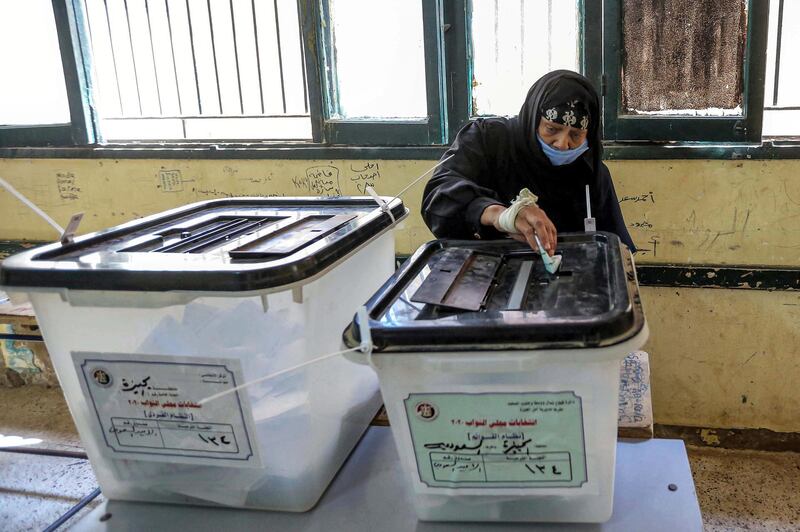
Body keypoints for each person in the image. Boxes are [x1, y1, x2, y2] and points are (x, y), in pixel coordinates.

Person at [421, 70, 634, 255]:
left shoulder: (590, 173)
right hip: (482, 277)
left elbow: (618, 249)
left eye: (576, 135)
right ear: (533, 119)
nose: (562, 144)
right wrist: (502, 216)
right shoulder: (489, 140)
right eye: (552, 129)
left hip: (564, 288)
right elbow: (438, 196)